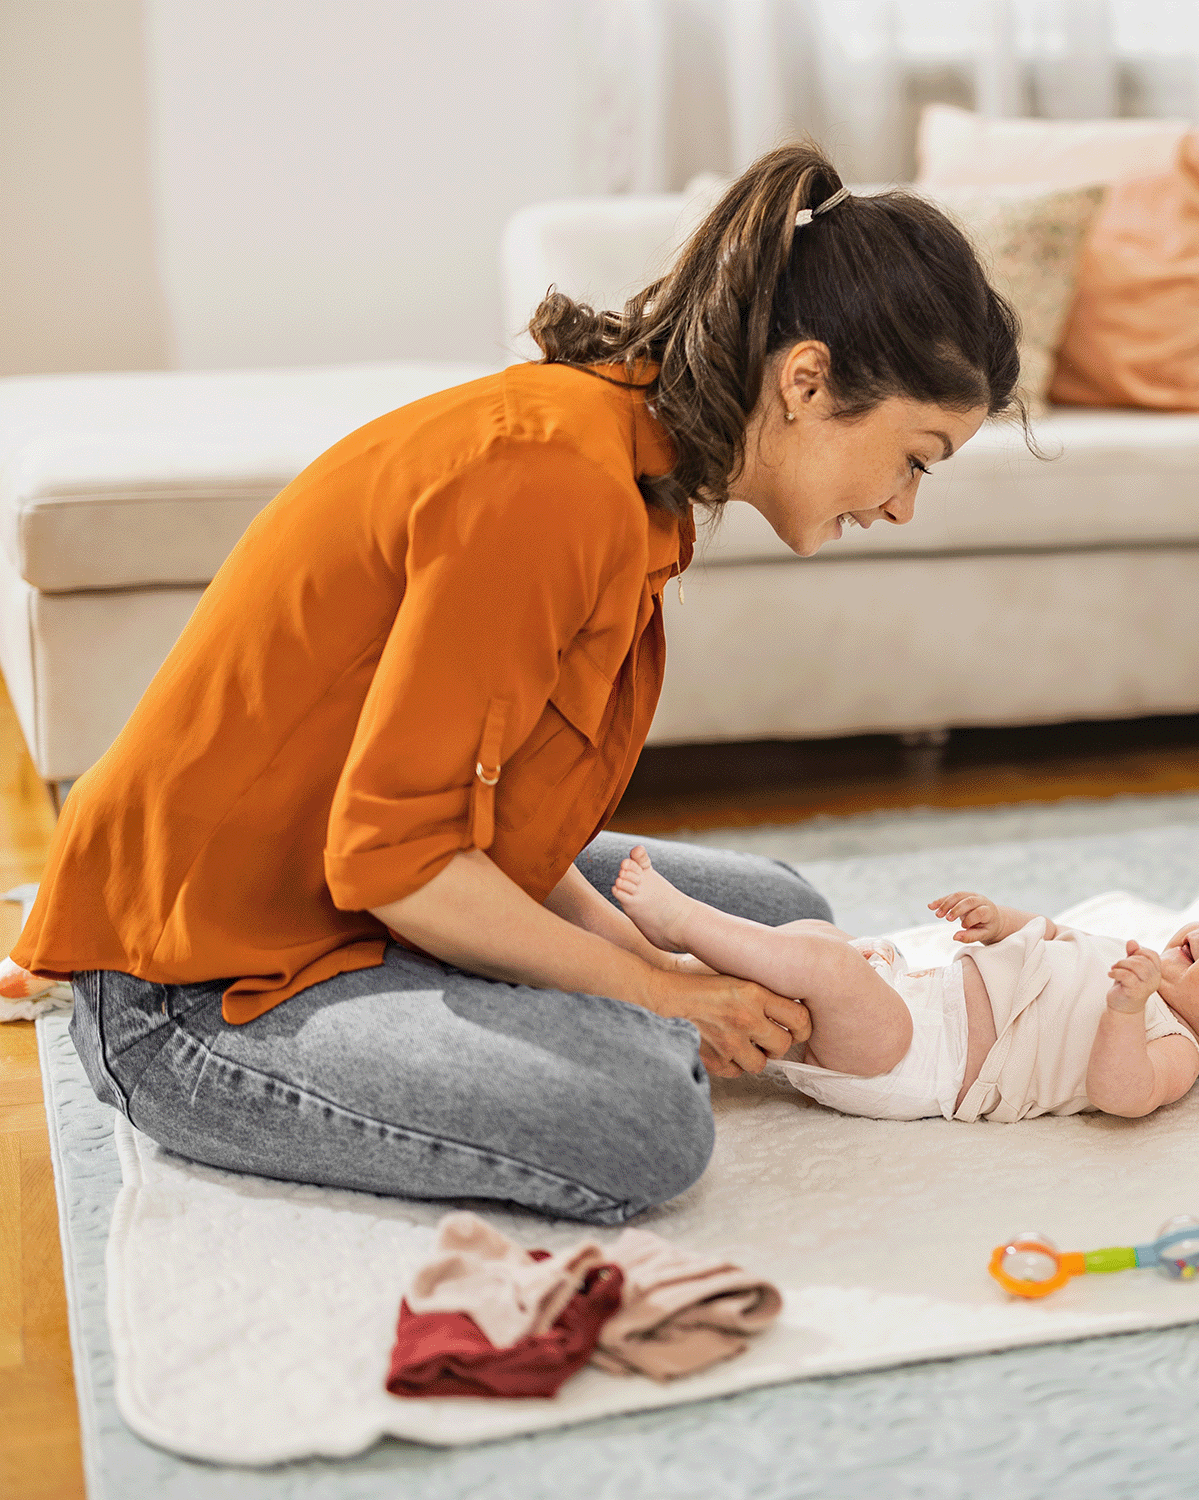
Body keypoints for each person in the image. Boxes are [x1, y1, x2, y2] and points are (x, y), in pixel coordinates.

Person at [5, 143, 1026, 1222]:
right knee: (645, 1120)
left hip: (354, 865)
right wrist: (660, 993)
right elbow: (400, 862)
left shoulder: (639, 478)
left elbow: (488, 820)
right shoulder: (550, 483)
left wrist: (644, 959)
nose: (905, 505)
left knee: (784, 919)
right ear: (807, 379)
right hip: (191, 988)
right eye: (917, 456)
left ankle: (529, 998)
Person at [610, 845, 1199, 1124]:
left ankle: (683, 923)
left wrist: (1126, 1013)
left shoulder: (1176, 1047)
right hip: (913, 993)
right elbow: (1054, 936)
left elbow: (1124, 1095)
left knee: (823, 969)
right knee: (815, 943)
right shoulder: (1139, 962)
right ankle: (661, 972)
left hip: (918, 1062)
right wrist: (1001, 919)